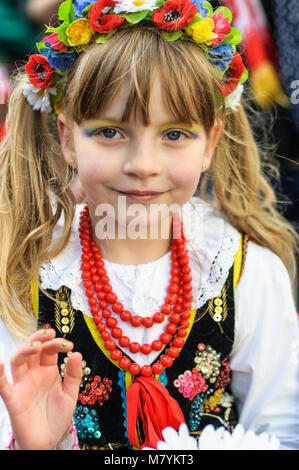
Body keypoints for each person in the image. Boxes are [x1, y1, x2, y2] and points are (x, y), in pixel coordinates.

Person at [0, 0, 299, 451]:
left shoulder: (248, 274)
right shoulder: (19, 281)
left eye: (174, 134)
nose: (143, 165)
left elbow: (282, 430)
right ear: (66, 137)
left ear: (210, 144)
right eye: (110, 132)